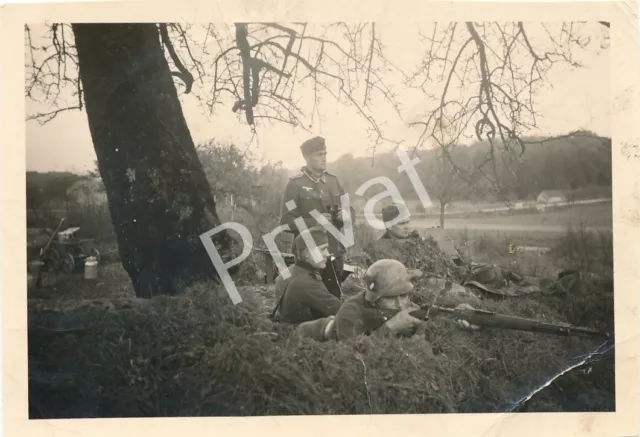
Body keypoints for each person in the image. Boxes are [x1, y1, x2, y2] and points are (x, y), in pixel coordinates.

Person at [278, 136, 355, 300]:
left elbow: (350, 211)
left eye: (325, 153)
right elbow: (286, 222)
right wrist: (316, 221)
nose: (324, 158)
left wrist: (346, 216)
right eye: (318, 155)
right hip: (309, 254)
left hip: (334, 250)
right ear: (306, 157)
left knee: (334, 297)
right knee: (312, 300)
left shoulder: (333, 182)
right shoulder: (295, 185)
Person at [272, 226, 342, 325]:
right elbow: (343, 311)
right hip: (300, 337)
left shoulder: (289, 271)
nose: (327, 254)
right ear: (307, 254)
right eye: (322, 249)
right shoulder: (308, 283)